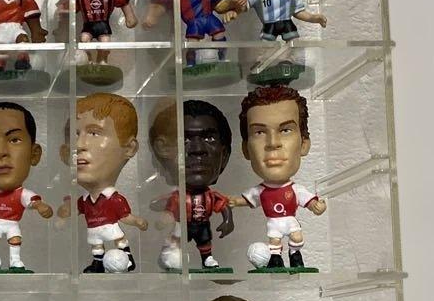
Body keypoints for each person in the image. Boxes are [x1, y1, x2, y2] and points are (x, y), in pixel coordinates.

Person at [230, 85, 326, 270]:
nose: (273, 143)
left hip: (289, 221)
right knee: (274, 240)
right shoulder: (260, 191)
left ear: (304, 143)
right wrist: (234, 201)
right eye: (259, 132)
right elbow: (248, 199)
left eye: (285, 130)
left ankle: (295, 255)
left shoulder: (295, 190)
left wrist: (316, 205)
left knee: (296, 236)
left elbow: (308, 200)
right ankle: (276, 259)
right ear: (245, 149)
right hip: (274, 223)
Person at [149, 98, 234, 271]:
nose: (197, 149)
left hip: (202, 225)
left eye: (209, 138)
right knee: (177, 238)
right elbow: (165, 207)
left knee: (204, 241)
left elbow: (223, 206)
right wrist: (162, 218)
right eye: (184, 139)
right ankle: (172, 255)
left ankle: (207, 258)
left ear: (224, 153)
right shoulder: (178, 197)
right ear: (162, 149)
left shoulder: (210, 196)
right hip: (183, 225)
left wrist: (228, 220)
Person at [0, 101, 53, 270]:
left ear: (34, 154)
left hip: (13, 223)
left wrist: (41, 206)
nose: (0, 152)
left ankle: (15, 261)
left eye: (14, 140)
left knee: (15, 240)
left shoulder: (22, 194)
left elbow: (34, 201)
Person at [68, 93, 147, 272]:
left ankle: (127, 256)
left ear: (129, 148)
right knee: (96, 245)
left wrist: (136, 221)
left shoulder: (113, 198)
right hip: (94, 229)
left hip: (109, 227)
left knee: (118, 239)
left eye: (94, 133)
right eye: (76, 134)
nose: (79, 145)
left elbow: (124, 216)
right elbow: (76, 209)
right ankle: (97, 263)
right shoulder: (85, 200)